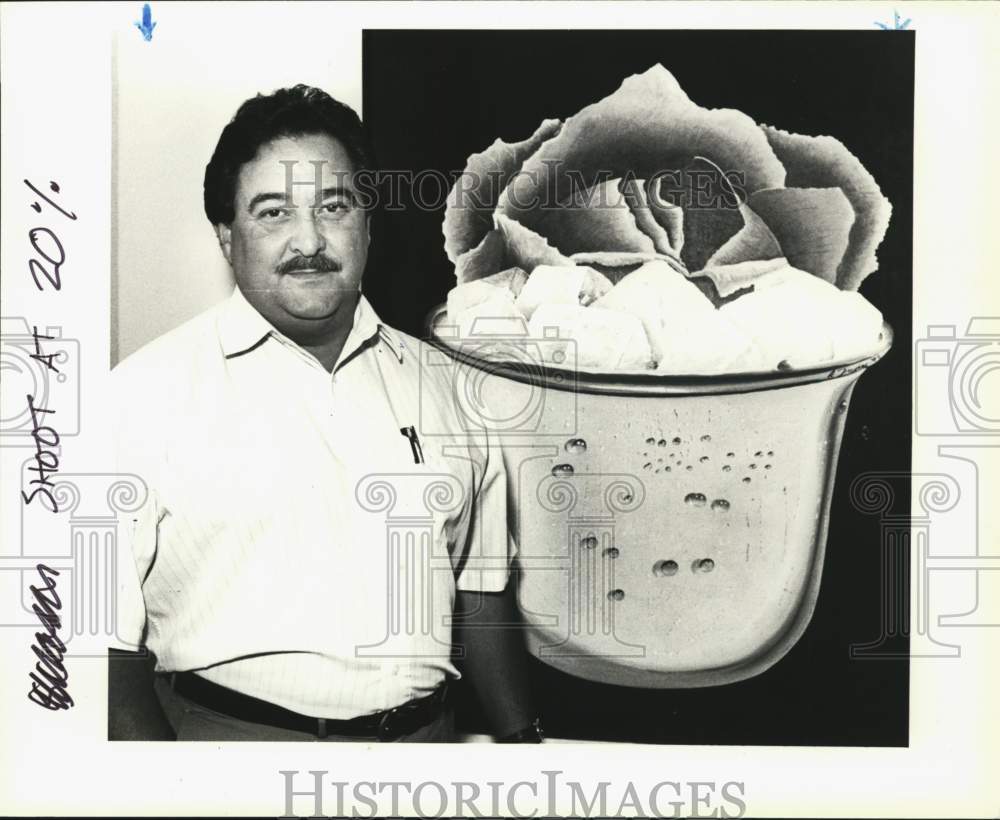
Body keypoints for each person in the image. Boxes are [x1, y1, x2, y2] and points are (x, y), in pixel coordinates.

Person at [108, 85, 540, 742]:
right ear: (227, 237)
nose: (309, 241)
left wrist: (522, 747)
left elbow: (481, 595)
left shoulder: (452, 388)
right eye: (272, 213)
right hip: (228, 759)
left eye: (333, 206)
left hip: (426, 759)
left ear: (368, 224)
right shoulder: (140, 394)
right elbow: (97, 646)